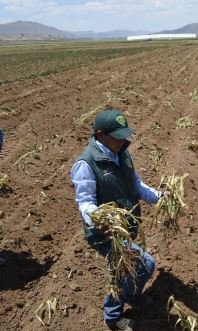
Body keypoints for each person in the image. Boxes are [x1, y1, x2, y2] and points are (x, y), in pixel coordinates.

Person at [71, 109, 160, 330]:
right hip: (106, 233)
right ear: (101, 135)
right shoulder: (86, 164)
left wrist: (161, 199)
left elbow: (137, 186)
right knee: (143, 264)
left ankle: (129, 295)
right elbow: (85, 202)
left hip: (126, 227)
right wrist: (100, 219)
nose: (123, 140)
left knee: (127, 270)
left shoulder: (122, 153)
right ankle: (113, 316)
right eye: (118, 136)